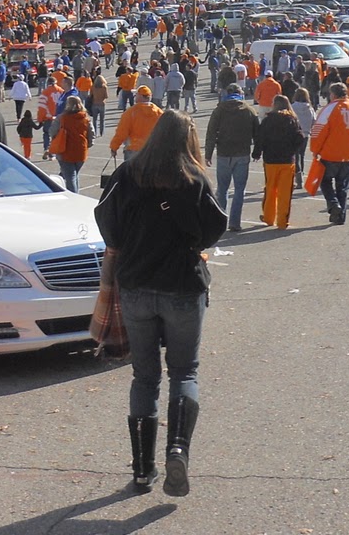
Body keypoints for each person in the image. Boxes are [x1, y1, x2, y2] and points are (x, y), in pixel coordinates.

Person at [94, 109, 227, 497]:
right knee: (184, 372)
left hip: (136, 285)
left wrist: (130, 240)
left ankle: (141, 469)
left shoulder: (128, 174)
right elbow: (213, 229)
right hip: (182, 285)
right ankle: (178, 450)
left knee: (145, 376)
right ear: (189, 139)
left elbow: (105, 220)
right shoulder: (195, 179)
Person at [203, 83, 259, 233]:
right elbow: (257, 133)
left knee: (222, 189)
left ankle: (220, 222)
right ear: (240, 93)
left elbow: (211, 133)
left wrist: (208, 154)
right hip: (242, 153)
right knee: (239, 190)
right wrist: (257, 152)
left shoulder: (219, 110)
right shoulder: (249, 110)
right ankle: (235, 222)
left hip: (224, 153)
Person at [310, 82, 349, 225]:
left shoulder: (329, 109)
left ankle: (333, 204)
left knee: (325, 181)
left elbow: (318, 131)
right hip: (348, 154)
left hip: (330, 153)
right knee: (342, 186)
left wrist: (315, 150)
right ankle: (340, 216)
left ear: (333, 94)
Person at [254, 95, 305, 229]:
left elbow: (260, 138)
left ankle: (268, 217)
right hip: (287, 160)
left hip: (270, 160)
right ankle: (282, 221)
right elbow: (300, 137)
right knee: (285, 192)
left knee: (270, 189)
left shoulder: (268, 120)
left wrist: (257, 153)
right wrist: (292, 149)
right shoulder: (292, 120)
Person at [110, 85, 162, 161]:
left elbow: (121, 132)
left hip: (133, 149)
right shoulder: (159, 113)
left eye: (136, 94)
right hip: (152, 150)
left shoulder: (131, 112)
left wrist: (114, 147)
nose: (135, 96)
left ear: (140, 96)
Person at [51, 95, 92, 191]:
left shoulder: (62, 118)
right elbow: (91, 134)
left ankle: (74, 196)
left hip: (65, 150)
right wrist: (88, 145)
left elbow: (52, 131)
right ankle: (76, 193)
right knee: (75, 175)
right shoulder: (85, 118)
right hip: (81, 150)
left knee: (70, 177)